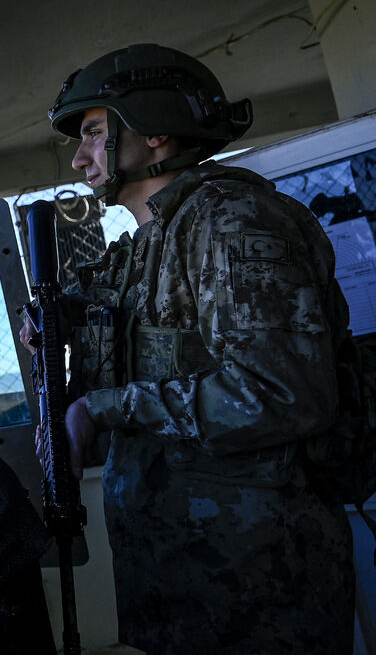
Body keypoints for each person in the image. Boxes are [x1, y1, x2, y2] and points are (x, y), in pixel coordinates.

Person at [24, 43, 355, 653]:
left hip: (254, 579)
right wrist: (57, 317)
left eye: (93, 133)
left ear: (153, 130)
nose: (79, 158)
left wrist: (102, 409)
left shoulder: (231, 221)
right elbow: (121, 320)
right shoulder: (148, 244)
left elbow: (281, 394)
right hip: (171, 569)